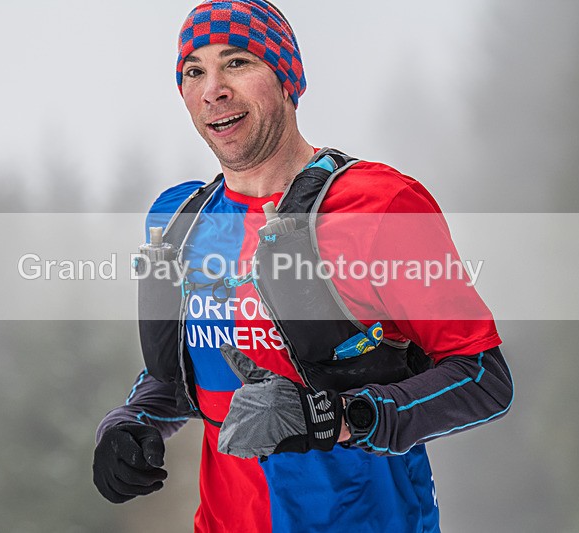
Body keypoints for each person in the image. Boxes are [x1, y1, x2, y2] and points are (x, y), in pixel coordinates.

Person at [92, 1, 514, 531]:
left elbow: (482, 379)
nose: (213, 89)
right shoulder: (178, 221)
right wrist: (132, 420)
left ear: (287, 77)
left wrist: (333, 418)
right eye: (194, 71)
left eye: (238, 62)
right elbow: (181, 373)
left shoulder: (380, 207)